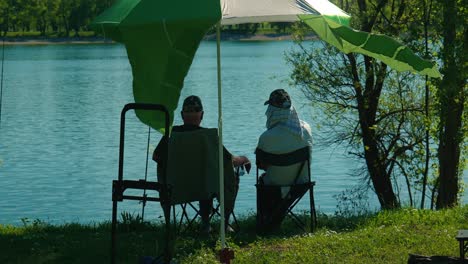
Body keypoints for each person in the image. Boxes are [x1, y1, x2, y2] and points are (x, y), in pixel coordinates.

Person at [153, 95, 250, 233]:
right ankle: (220, 224)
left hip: (176, 188)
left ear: (182, 115)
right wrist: (244, 159)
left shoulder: (170, 134)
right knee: (213, 177)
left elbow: (156, 157)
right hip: (205, 187)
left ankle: (171, 224)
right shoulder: (208, 136)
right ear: (202, 115)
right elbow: (228, 160)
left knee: (203, 176)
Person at [255, 89, 312, 231]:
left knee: (264, 182)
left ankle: (266, 223)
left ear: (272, 109)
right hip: (301, 184)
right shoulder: (306, 129)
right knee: (275, 182)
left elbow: (261, 165)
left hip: (274, 187)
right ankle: (276, 220)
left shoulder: (267, 137)